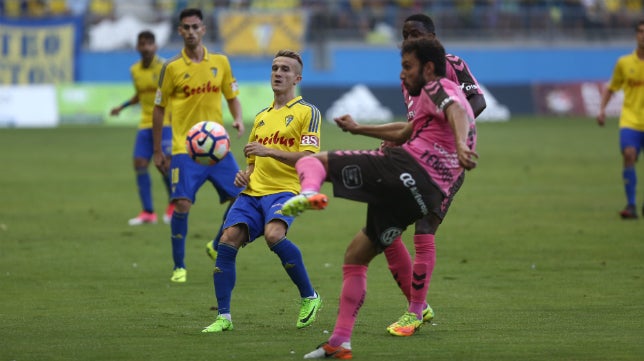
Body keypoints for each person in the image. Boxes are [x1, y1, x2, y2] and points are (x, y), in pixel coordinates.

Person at [281, 37, 478, 359]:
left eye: (407, 66)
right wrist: (359, 130)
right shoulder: (438, 98)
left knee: (311, 161)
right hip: (424, 195)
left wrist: (460, 145)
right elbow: (405, 132)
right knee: (356, 256)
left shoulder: (436, 88)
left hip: (403, 169)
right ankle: (340, 341)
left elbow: (455, 111)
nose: (402, 74)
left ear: (427, 68)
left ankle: (307, 193)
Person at [380, 12, 487, 337]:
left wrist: (451, 137)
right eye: (405, 35)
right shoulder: (408, 74)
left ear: (433, 38)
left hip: (448, 161)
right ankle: (420, 305)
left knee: (425, 225)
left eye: (415, 34)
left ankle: (413, 313)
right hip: (416, 157)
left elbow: (476, 102)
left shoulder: (452, 63)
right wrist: (402, 136)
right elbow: (417, 116)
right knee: (384, 230)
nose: (409, 40)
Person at [202, 49, 323, 333]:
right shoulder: (261, 117)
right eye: (275, 68)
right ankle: (224, 317)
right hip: (253, 192)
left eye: (285, 69)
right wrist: (245, 174)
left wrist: (268, 150)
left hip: (285, 190)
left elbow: (309, 157)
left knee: (274, 235)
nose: (278, 73)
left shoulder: (308, 112)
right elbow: (253, 163)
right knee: (227, 239)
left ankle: (310, 297)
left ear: (297, 77)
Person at [152, 8, 245, 283]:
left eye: (195, 27)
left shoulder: (221, 62)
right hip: (184, 148)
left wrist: (238, 118)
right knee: (181, 204)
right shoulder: (171, 68)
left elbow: (232, 95)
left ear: (203, 29)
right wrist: (158, 150)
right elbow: (159, 109)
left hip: (218, 149)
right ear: (179, 31)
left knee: (242, 196)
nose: (191, 32)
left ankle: (216, 244)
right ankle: (179, 266)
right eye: (186, 27)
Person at [110, 30, 174, 226]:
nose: (145, 47)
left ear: (155, 46)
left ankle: (173, 204)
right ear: (137, 47)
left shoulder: (165, 67)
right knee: (139, 163)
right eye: (142, 44)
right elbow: (140, 94)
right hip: (146, 123)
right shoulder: (134, 70)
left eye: (149, 44)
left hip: (165, 123)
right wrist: (122, 107)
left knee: (164, 165)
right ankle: (148, 212)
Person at [597, 19, 644, 219]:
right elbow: (611, 88)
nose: (643, 35)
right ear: (636, 35)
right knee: (629, 154)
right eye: (641, 31)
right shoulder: (624, 63)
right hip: (630, 120)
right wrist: (601, 110)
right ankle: (631, 205)